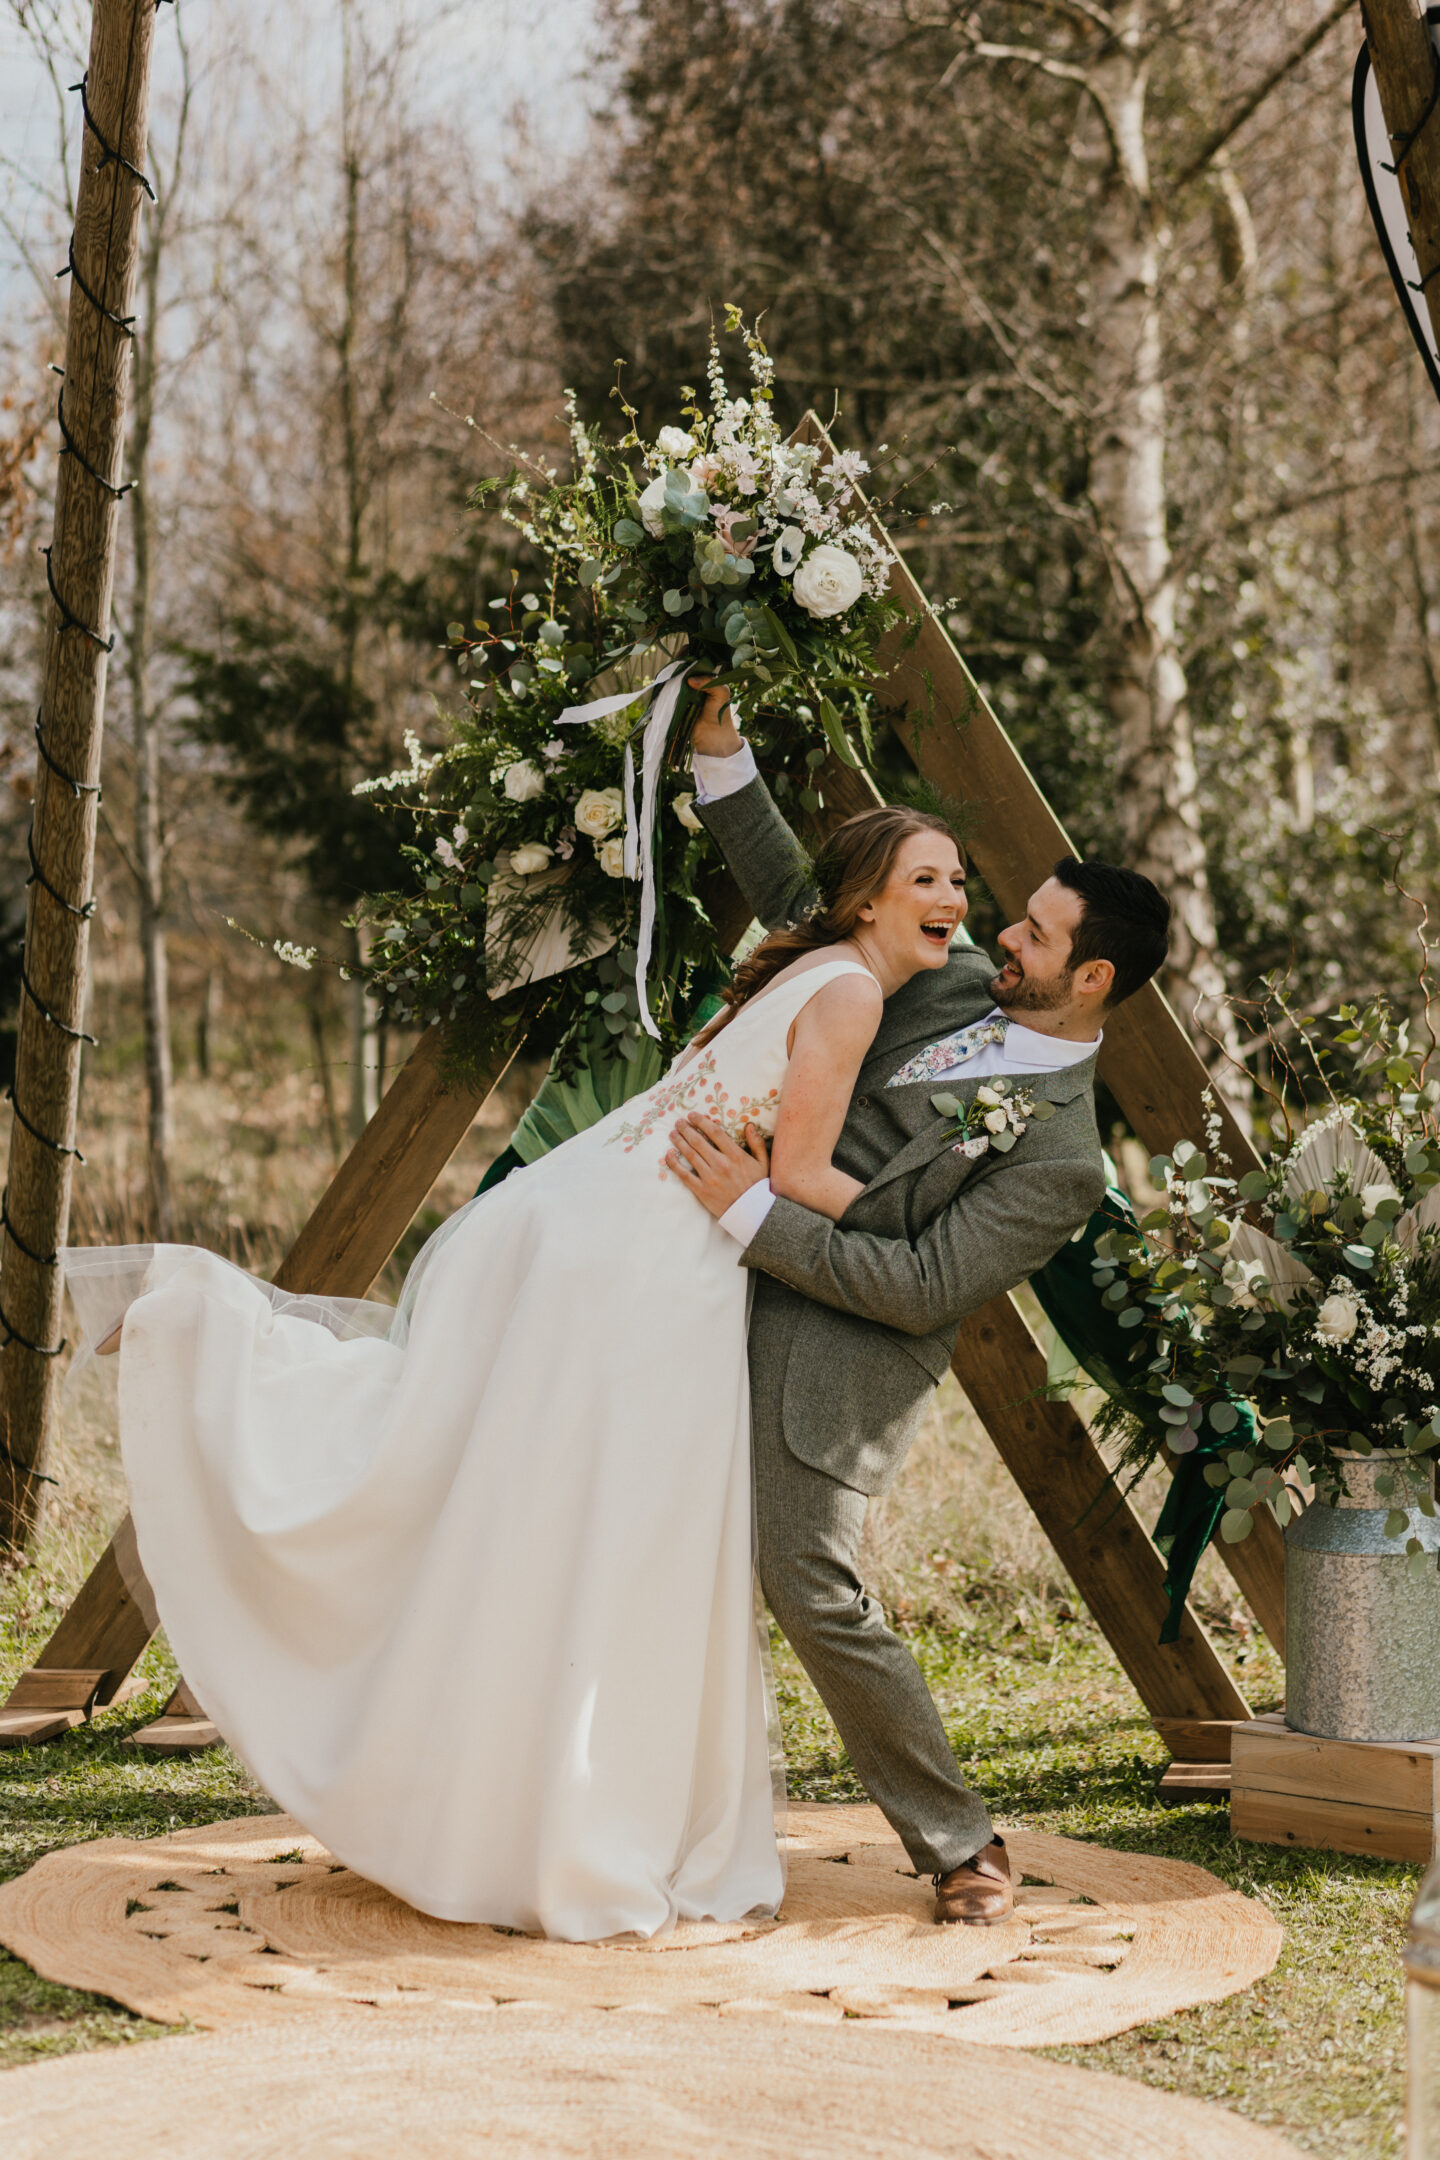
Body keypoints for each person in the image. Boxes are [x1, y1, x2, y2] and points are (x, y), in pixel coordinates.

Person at [64, 801, 968, 1945]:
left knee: (509, 1484)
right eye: (928, 880)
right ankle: (575, 1814)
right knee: (619, 1538)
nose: (951, 901)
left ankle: (200, 1326)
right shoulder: (847, 993)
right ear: (867, 896)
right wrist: (921, 1229)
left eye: (959, 883)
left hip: (592, 1229)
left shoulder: (808, 974)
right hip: (650, 1272)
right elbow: (793, 1173)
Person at [659, 680, 1171, 1926]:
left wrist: (753, 1213)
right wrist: (723, 760)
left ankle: (960, 1842)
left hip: (834, 1352)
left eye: (1038, 937)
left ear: (1091, 976)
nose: (1003, 936)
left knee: (807, 1580)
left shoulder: (1060, 1159)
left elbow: (921, 1288)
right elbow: (818, 906)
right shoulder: (938, 985)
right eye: (1015, 917)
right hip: (688, 1285)